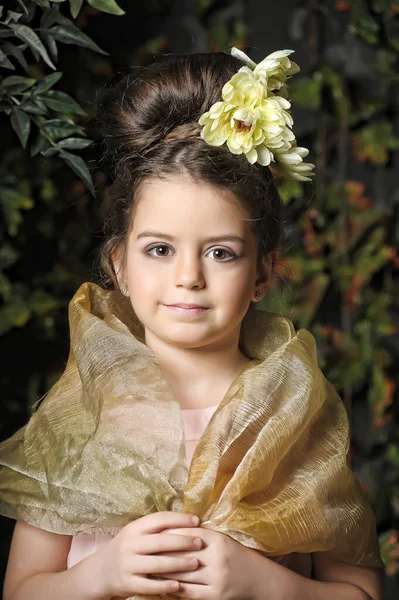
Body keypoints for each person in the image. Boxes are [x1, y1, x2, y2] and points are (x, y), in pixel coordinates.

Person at [0, 48, 384, 600]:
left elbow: (363, 593)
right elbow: (21, 591)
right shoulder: (82, 415)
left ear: (263, 273)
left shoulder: (291, 412)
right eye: (159, 249)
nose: (188, 277)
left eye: (221, 254)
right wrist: (99, 576)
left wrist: (269, 585)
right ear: (120, 266)